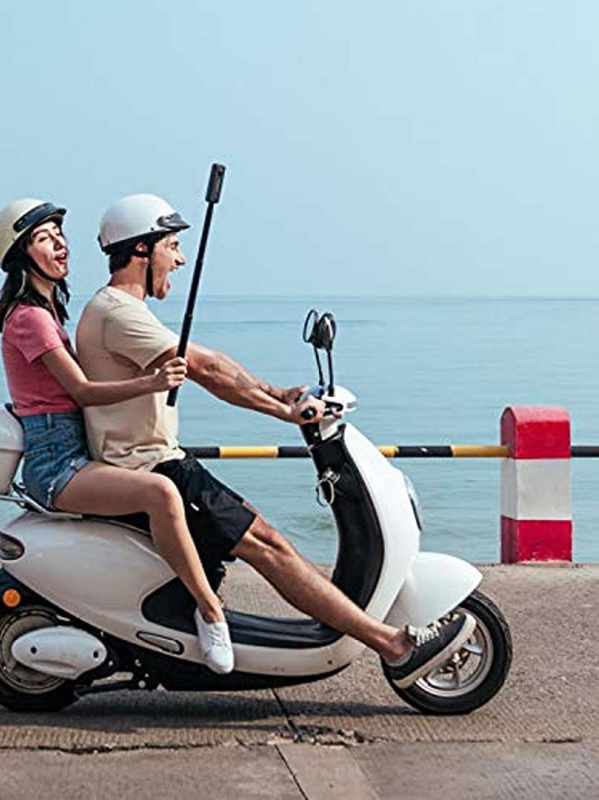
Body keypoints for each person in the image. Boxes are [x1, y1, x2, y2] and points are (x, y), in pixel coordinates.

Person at [75, 192, 476, 688]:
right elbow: (206, 369)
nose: (179, 259)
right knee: (270, 546)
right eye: (172, 246)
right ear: (142, 249)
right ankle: (394, 647)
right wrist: (284, 412)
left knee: (267, 541)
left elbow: (209, 360)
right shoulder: (118, 313)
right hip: (152, 468)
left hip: (159, 461)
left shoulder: (118, 310)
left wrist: (278, 393)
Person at [0, 197, 235, 674]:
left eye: (59, 234)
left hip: (75, 451)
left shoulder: (47, 312)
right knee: (161, 493)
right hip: (57, 465)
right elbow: (81, 391)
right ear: (20, 255)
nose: (60, 244)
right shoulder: (30, 318)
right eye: (44, 238)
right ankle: (211, 613)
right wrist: (152, 382)